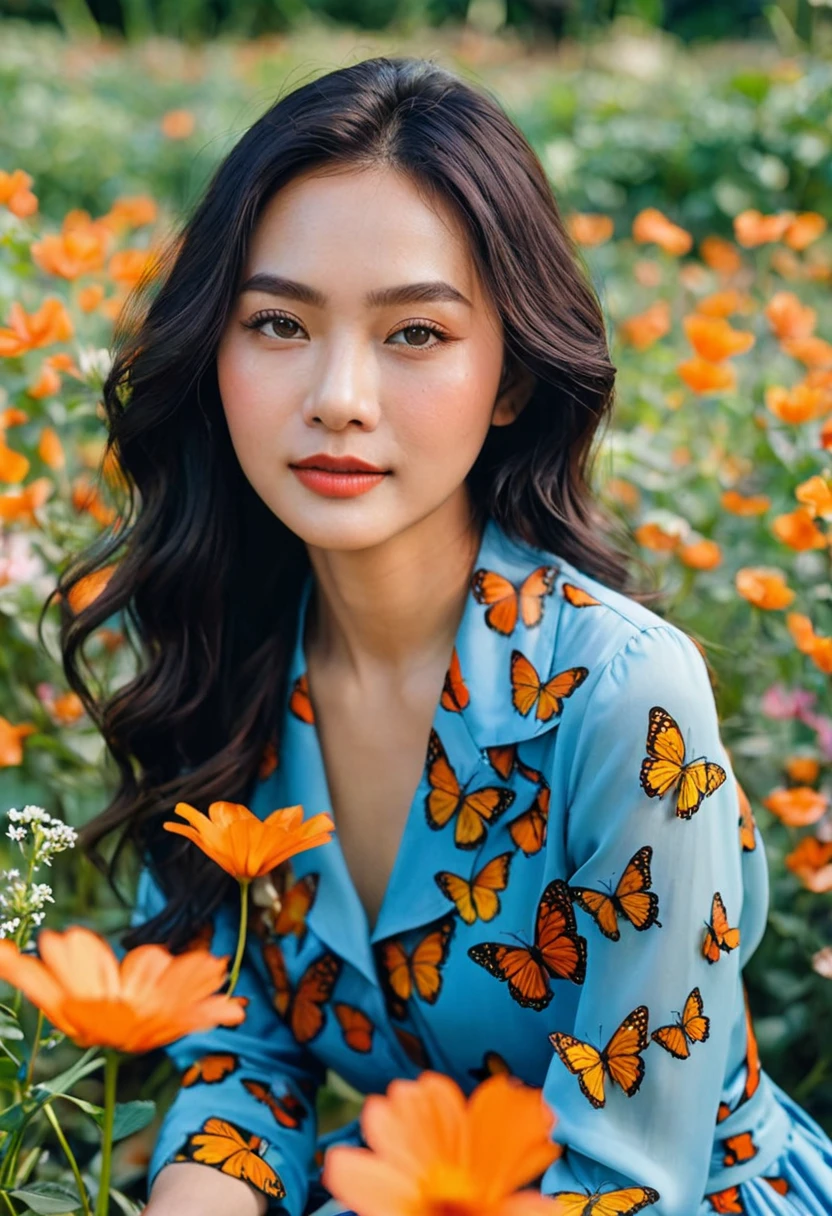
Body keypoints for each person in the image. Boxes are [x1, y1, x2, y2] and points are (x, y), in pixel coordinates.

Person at [62, 56, 832, 1216]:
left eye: (414, 334)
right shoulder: (229, 647)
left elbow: (626, 1182)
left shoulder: (624, 699)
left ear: (512, 374)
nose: (338, 395)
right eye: (277, 322)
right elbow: (242, 1063)